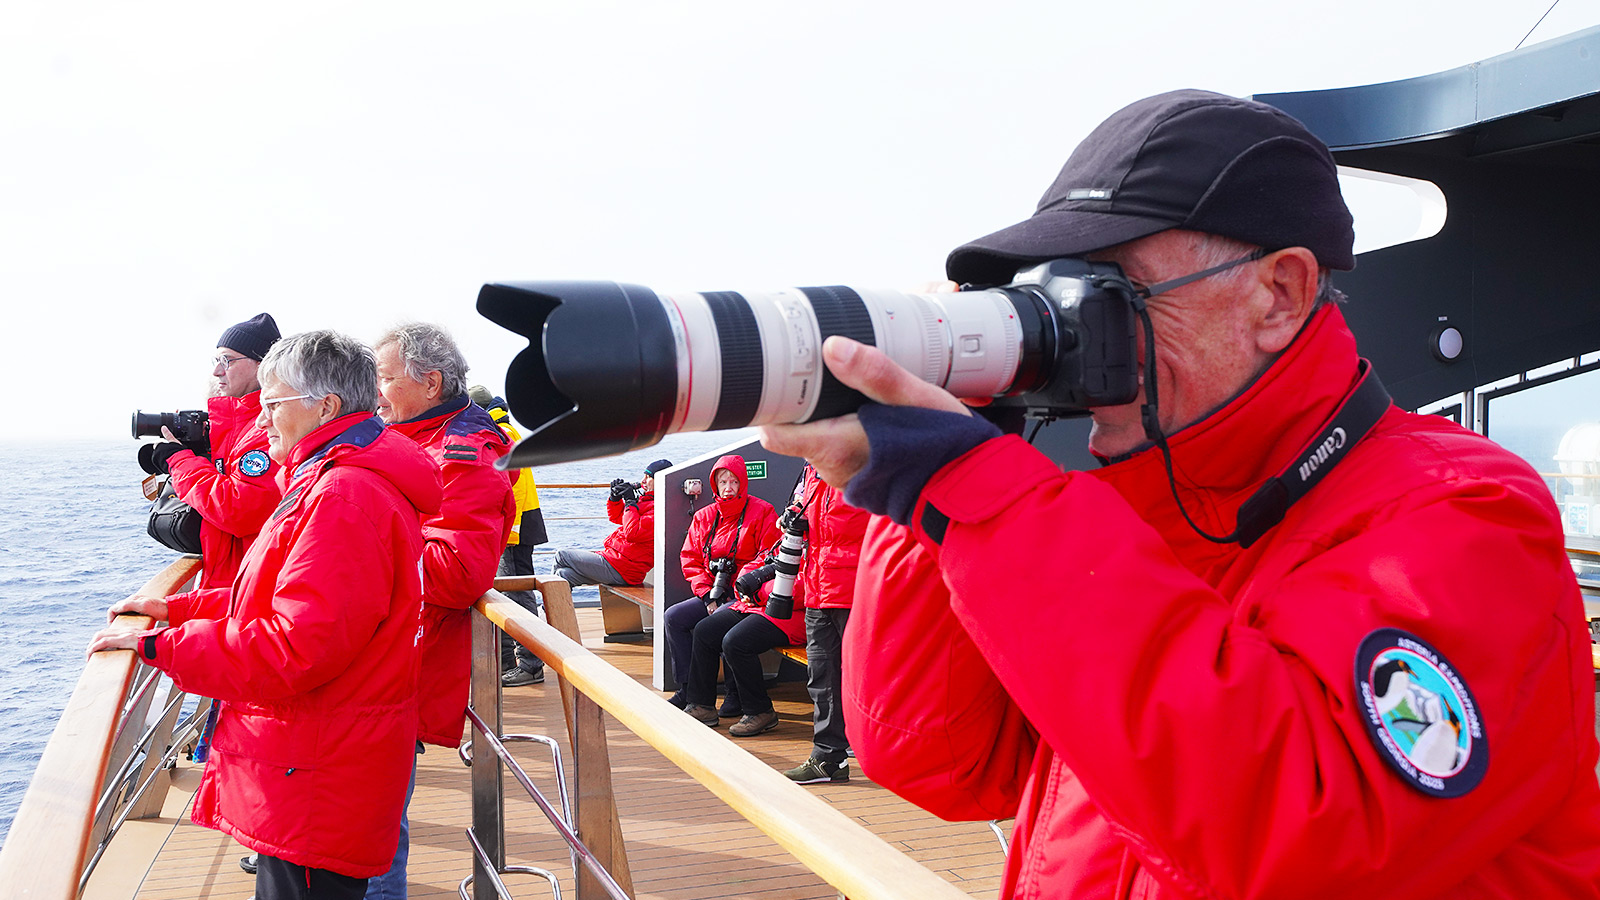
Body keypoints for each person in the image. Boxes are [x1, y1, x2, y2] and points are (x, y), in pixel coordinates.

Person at [759, 90, 1600, 897]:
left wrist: (980, 494)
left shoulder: (1464, 517)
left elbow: (1295, 834)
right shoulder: (1139, 526)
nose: (1084, 344)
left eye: (1110, 296)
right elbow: (937, 755)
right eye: (1060, 299)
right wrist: (934, 505)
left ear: (1278, 294)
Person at [89, 330, 441, 900]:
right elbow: (281, 594)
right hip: (320, 759)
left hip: (318, 771)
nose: (261, 417)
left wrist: (162, 646)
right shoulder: (335, 479)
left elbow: (297, 646)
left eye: (273, 403)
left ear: (324, 407)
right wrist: (177, 608)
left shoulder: (343, 497)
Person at [372, 324, 515, 900]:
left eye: (384, 378)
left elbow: (456, 574)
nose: (374, 391)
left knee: (373, 829)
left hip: (400, 664)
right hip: (379, 651)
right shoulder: (409, 438)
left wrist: (355, 552)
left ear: (430, 383)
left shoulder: (464, 454)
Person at [137, 312, 283, 590]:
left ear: (262, 365)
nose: (217, 371)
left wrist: (178, 460)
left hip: (251, 584)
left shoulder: (269, 428)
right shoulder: (238, 426)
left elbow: (239, 511)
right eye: (216, 361)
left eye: (227, 360)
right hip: (230, 581)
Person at [665, 455, 795, 737]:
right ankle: (693, 696)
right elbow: (690, 559)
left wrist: (745, 582)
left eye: (734, 481)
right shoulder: (704, 516)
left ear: (743, 483)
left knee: (725, 632)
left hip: (748, 593)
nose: (728, 487)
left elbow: (768, 556)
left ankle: (739, 698)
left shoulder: (762, 511)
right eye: (723, 481)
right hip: (715, 591)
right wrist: (707, 594)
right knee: (677, 618)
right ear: (715, 484)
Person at [767, 463, 868, 783]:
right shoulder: (812, 472)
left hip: (856, 593)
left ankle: (884, 752)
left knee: (866, 679)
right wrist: (794, 516)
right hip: (818, 591)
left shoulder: (864, 464)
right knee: (821, 678)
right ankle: (828, 758)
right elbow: (809, 511)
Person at [468, 386, 551, 688]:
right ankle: (505, 660)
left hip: (514, 526)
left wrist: (507, 530)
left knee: (518, 593)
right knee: (503, 592)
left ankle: (531, 664)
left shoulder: (501, 434)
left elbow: (513, 488)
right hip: (516, 523)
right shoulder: (504, 431)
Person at [548, 458, 671, 590]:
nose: (643, 481)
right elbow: (617, 517)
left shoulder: (661, 508)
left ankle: (545, 601)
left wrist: (630, 503)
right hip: (617, 561)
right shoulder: (648, 501)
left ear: (660, 480)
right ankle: (555, 603)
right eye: (644, 476)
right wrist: (615, 498)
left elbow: (632, 533)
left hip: (624, 568)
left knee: (562, 555)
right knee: (564, 574)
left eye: (648, 477)